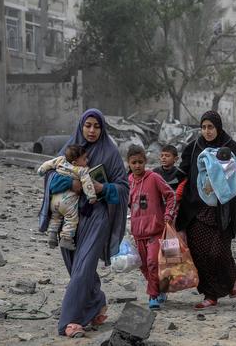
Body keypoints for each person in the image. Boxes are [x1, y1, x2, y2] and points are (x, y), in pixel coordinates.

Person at [39, 109, 129, 338]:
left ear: (102, 129)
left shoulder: (110, 153)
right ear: (81, 126)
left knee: (83, 268)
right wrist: (73, 183)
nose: (91, 130)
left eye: (96, 126)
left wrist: (102, 189)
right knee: (74, 266)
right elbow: (50, 176)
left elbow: (123, 188)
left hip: (96, 217)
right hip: (68, 217)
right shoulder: (69, 149)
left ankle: (70, 321)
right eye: (87, 125)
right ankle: (97, 301)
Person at [175, 111, 236, 309]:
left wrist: (231, 198)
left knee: (218, 252)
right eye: (204, 127)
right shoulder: (194, 148)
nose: (207, 131)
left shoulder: (229, 147)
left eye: (211, 127)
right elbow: (182, 175)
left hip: (221, 211)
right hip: (197, 210)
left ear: (218, 128)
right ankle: (210, 295)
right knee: (200, 254)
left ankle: (231, 276)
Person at [127, 145, 176, 309]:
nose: (137, 166)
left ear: (145, 162)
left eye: (140, 162)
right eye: (134, 162)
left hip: (155, 230)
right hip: (137, 232)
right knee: (143, 265)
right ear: (129, 163)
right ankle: (160, 289)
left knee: (153, 262)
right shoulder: (129, 182)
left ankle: (153, 296)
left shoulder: (154, 177)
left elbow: (170, 195)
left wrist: (168, 214)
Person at [37, 144, 97, 250]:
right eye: (84, 159)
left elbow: (48, 164)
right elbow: (87, 183)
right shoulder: (81, 170)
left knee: (55, 217)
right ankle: (66, 239)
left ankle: (51, 235)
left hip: (54, 200)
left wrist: (41, 170)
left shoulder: (60, 160)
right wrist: (91, 196)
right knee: (71, 219)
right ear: (74, 163)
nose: (87, 160)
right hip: (68, 202)